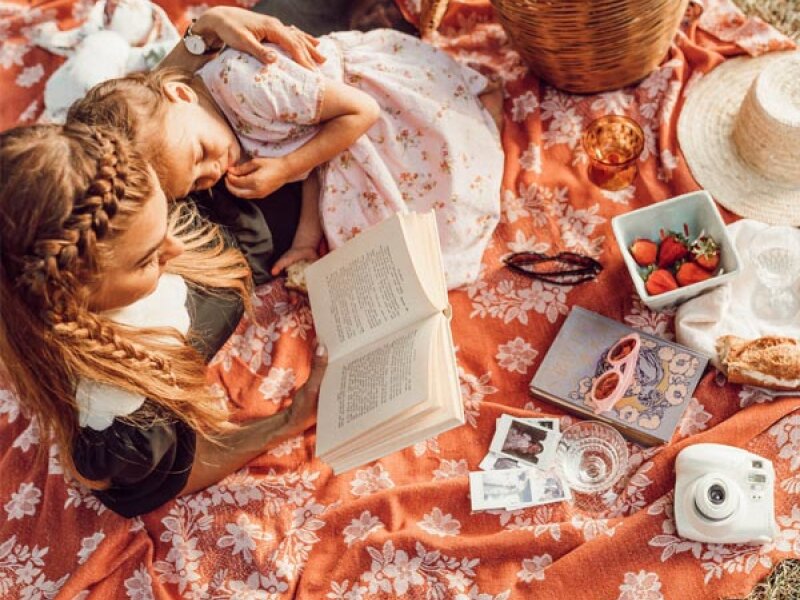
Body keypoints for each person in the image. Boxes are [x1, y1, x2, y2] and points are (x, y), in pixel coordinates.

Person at [0, 122, 327, 518]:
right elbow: (174, 475)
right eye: (147, 259)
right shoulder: (121, 421)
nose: (175, 246)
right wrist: (291, 419)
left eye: (165, 213)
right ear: (71, 298)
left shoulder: (101, 193)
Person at [68, 26, 505, 289]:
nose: (213, 170)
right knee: (378, 240)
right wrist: (301, 243)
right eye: (199, 182)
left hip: (365, 102)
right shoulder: (211, 127)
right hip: (332, 132)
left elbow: (362, 112)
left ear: (182, 93)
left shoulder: (247, 84)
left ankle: (485, 113)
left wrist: (285, 168)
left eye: (200, 155)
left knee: (446, 169)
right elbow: (311, 162)